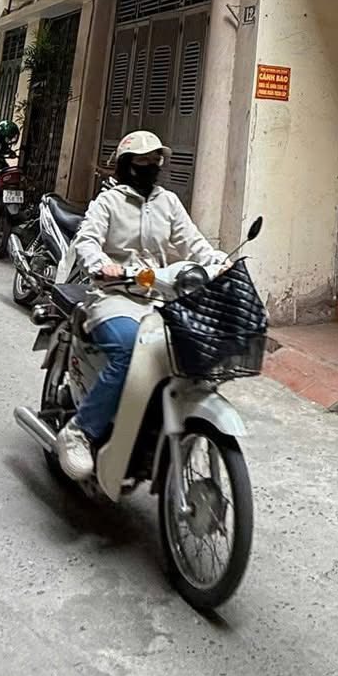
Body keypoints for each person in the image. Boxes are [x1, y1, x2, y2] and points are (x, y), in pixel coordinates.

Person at [54, 130, 227, 484]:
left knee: (189, 349)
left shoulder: (168, 202)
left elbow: (193, 243)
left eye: (155, 159)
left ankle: (152, 424)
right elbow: (87, 240)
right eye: (142, 160)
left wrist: (218, 261)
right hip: (114, 297)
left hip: (158, 296)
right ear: (126, 165)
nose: (150, 166)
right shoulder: (109, 202)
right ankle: (80, 431)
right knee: (130, 349)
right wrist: (101, 264)